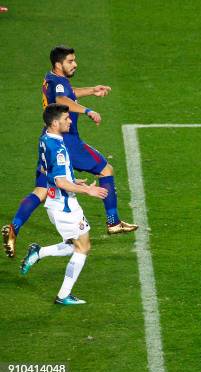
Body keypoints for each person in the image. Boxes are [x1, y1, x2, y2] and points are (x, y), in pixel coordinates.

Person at [2, 45, 137, 258]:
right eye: (70, 61)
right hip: (68, 143)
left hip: (48, 140)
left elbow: (69, 94)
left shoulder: (52, 79)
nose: (75, 64)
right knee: (106, 169)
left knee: (42, 190)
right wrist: (88, 110)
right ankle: (113, 222)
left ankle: (14, 228)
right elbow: (63, 100)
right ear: (59, 64)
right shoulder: (57, 83)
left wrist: (92, 90)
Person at [20, 104, 108, 305]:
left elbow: (49, 171)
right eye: (66, 118)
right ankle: (63, 295)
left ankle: (38, 252)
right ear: (54, 122)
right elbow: (60, 181)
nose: (70, 121)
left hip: (55, 201)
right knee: (82, 247)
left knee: (74, 245)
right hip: (65, 205)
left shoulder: (46, 139)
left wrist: (73, 180)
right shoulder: (58, 147)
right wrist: (88, 190)